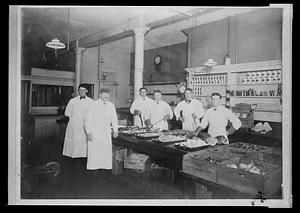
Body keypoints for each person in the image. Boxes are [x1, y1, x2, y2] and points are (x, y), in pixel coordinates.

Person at [84, 87, 118, 180]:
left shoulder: (111, 105)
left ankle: (105, 173)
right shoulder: (93, 104)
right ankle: (94, 174)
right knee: (95, 152)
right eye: (104, 94)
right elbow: (87, 120)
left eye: (108, 94)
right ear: (100, 94)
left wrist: (115, 130)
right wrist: (88, 132)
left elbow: (114, 119)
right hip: (95, 131)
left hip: (106, 131)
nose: (106, 96)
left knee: (105, 151)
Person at [62, 83, 93, 160]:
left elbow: (93, 114)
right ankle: (73, 157)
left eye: (83, 90)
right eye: (80, 90)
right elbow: (67, 113)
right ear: (78, 91)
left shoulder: (91, 101)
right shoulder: (72, 101)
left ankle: (83, 158)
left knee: (83, 144)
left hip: (84, 126)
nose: (81, 91)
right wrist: (75, 117)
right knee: (73, 142)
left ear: (87, 91)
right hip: (74, 125)